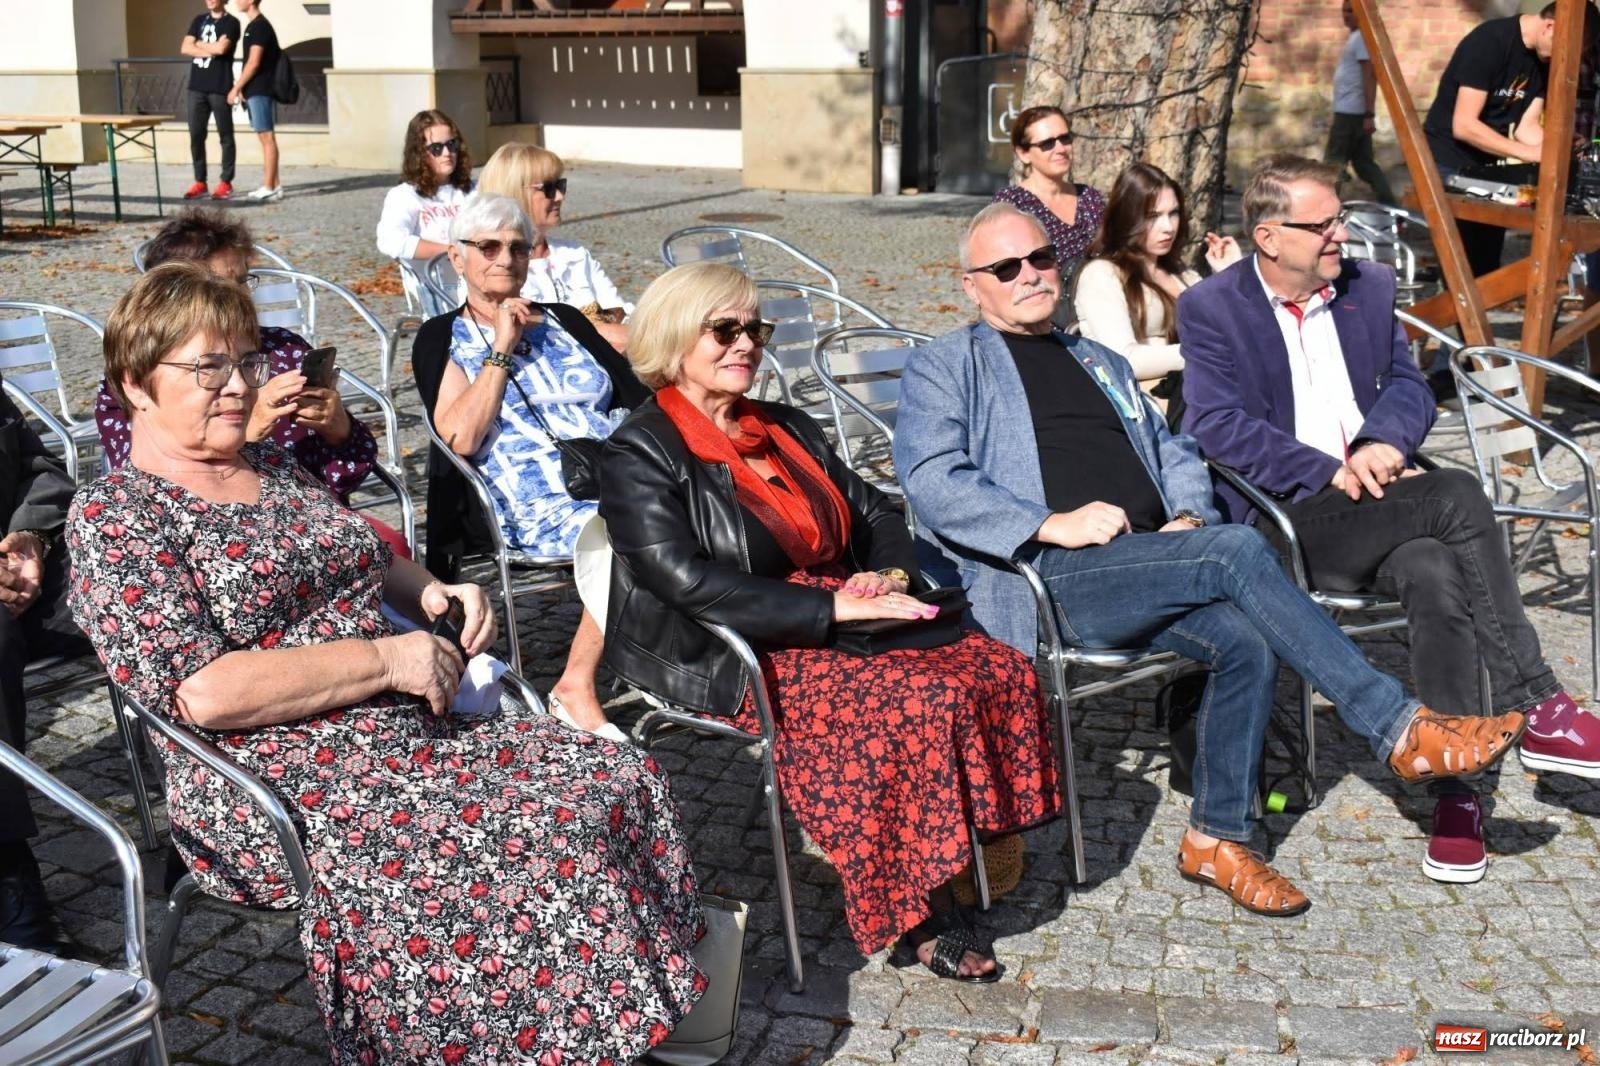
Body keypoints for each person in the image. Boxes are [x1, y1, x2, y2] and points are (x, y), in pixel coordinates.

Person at [68, 262, 705, 1063]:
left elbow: (353, 549)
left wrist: (437, 589)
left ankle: (614, 1017)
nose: (236, 386)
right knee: (512, 837)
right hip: (267, 778)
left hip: (399, 731)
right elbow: (204, 692)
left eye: (246, 362)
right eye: (207, 367)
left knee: (613, 776)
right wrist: (386, 656)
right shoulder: (116, 516)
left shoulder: (265, 465)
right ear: (134, 384)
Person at [894, 201, 1526, 915]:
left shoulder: (1094, 358)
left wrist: (1188, 515)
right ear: (973, 285)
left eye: (1041, 258)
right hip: (1046, 578)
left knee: (1242, 634)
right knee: (1233, 551)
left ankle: (1217, 839)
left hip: (1147, 560)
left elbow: (1177, 449)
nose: (1032, 276)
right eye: (1006, 268)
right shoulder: (947, 365)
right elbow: (933, 480)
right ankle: (1397, 726)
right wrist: (1049, 523)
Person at [599, 261, 1059, 980]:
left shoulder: (782, 425)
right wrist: (829, 605)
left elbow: (875, 509)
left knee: (995, 664)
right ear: (672, 338)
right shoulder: (640, 451)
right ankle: (921, 909)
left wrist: (889, 574)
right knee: (910, 703)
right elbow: (680, 579)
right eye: (724, 330)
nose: (745, 344)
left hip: (841, 608)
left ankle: (972, 844)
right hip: (737, 637)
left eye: (756, 329)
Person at [1179, 154, 1600, 885]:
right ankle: (1539, 704)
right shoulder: (1213, 307)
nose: (1342, 234)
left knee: (1437, 569)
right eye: (1325, 224)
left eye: (1340, 218)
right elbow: (1215, 426)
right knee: (1457, 494)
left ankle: (1458, 799)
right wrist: (1329, 469)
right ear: (1271, 236)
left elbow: (1409, 386)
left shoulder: (1366, 289)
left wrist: (1380, 443)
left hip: (1378, 501)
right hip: (1289, 521)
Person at [414, 193, 644, 742]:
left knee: (706, 502)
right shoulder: (441, 337)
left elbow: (635, 399)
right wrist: (501, 345)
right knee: (638, 531)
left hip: (616, 475)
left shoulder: (563, 320)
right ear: (458, 258)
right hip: (530, 503)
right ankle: (575, 687)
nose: (505, 258)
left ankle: (675, 666)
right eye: (488, 247)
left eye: (518, 247)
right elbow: (461, 437)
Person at [95, 209, 377, 507]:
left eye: (244, 281)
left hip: (322, 519)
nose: (242, 296)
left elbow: (345, 474)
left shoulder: (284, 349)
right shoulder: (143, 378)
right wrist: (248, 428)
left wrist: (338, 429)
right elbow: (147, 491)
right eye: (222, 285)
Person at [0, 373, 89, 956]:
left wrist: (28, 537)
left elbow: (42, 470)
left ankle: (221, 796)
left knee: (127, 586)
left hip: (15, 575)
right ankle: (9, 869)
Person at [1422, 3, 1598, 276]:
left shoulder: (1543, 61)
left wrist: (1560, 148)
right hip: (1445, 160)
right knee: (1461, 265)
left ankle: (1474, 317)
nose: (1566, 56)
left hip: (1487, 166)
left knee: (1486, 263)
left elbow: (1526, 128)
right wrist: (1532, 154)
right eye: (1569, 46)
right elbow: (1464, 125)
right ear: (1550, 27)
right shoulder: (1489, 42)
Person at [1074, 162, 1240, 426]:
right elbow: (1124, 359)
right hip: (1147, 414)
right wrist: (1203, 354)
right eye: (1153, 216)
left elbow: (1228, 334)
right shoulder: (1102, 274)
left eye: (1173, 213)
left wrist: (1228, 276)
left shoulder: (1183, 275)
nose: (1168, 227)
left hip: (1202, 399)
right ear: (1128, 217)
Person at [476, 142, 631, 351]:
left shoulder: (574, 253)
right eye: (549, 188)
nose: (560, 196)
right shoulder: (490, 266)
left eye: (561, 185)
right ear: (514, 194)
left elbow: (622, 310)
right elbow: (496, 336)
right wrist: (601, 331)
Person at [992, 106, 1105, 327]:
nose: (1061, 148)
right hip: (1041, 322)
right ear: (1023, 153)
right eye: (1047, 143)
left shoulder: (1090, 198)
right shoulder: (1012, 205)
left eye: (1065, 138)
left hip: (1097, 316)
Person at [375, 110, 474, 313]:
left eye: (452, 145)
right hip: (435, 285)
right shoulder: (404, 195)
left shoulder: (474, 190)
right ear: (419, 153)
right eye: (436, 148)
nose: (447, 153)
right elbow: (390, 241)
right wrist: (450, 251)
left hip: (477, 279)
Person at [1325, 0, 1396, 206]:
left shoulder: (1362, 39)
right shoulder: (1356, 38)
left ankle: (1324, 210)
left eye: (1351, 11)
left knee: (1332, 164)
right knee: (1364, 164)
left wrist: (1369, 114)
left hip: (1351, 114)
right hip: (1352, 112)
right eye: (1344, 11)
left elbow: (1369, 77)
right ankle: (1392, 207)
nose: (1346, 15)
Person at [179, 0, 240, 201]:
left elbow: (222, 49)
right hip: (196, 88)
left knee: (225, 135)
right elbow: (185, 48)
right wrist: (209, 48)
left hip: (219, 88)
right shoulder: (198, 20)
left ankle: (226, 181)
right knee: (196, 135)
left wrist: (198, 43)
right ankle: (200, 181)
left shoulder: (232, 22)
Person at [226, 0, 282, 202]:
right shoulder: (253, 26)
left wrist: (236, 87)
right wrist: (244, 89)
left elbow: (253, 62)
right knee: (264, 137)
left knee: (267, 138)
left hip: (261, 90)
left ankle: (269, 186)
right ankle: (275, 185)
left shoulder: (259, 26)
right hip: (254, 90)